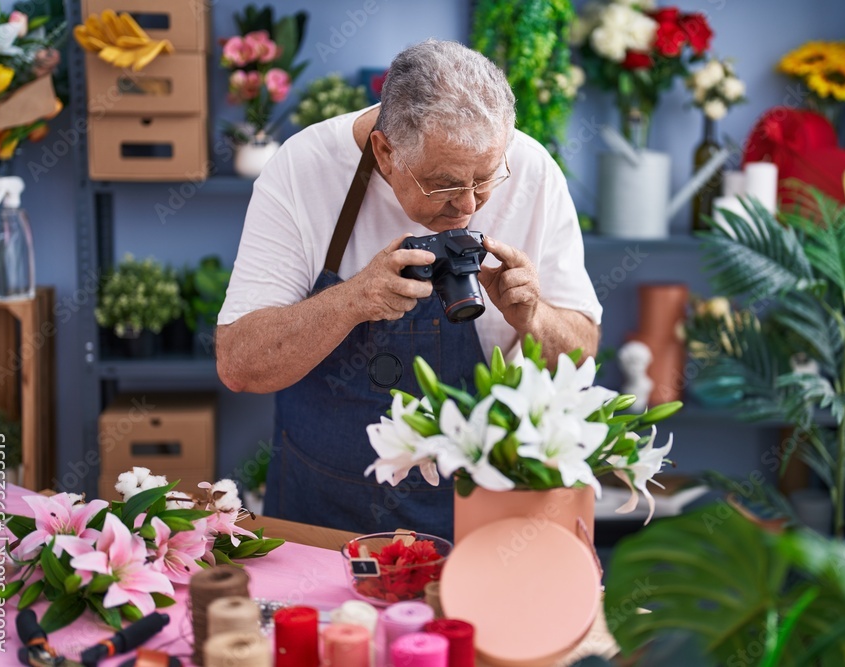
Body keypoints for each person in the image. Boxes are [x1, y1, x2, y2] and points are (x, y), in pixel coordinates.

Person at [216, 39, 601, 538]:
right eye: (443, 184)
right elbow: (239, 365)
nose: (468, 206)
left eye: (485, 179)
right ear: (385, 151)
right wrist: (353, 300)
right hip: (327, 520)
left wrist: (534, 317)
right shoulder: (304, 168)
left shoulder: (534, 171)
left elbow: (580, 356)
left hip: (480, 518)